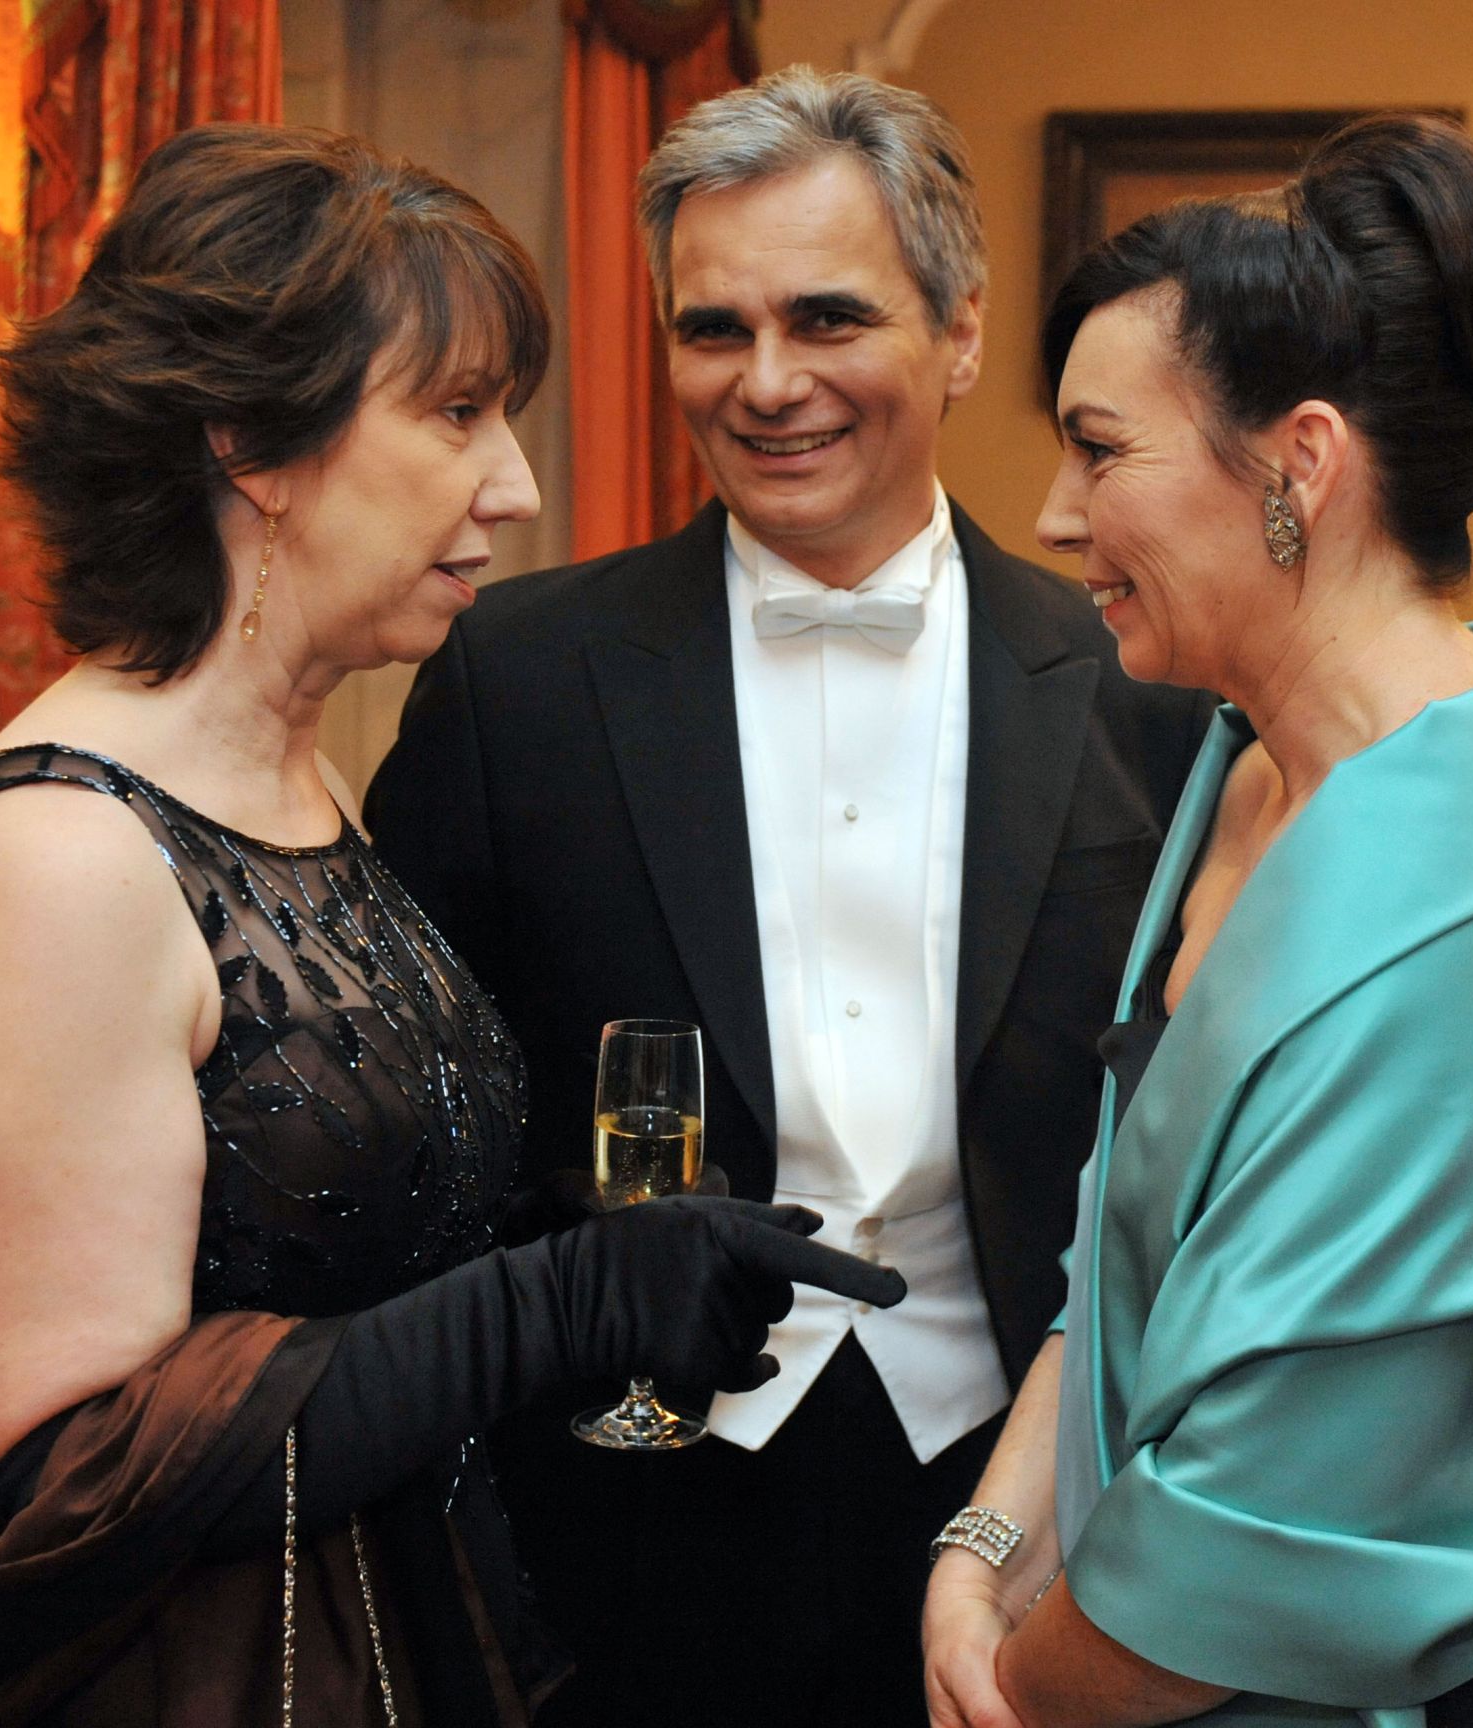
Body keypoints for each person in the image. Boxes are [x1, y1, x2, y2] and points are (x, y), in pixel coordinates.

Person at [0, 123, 905, 1728]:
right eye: (455, 415)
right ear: (249, 443)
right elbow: (73, 1474)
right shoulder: (58, 854)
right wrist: (553, 1309)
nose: (513, 487)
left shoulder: (303, 783)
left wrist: (610, 1269)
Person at [365, 65, 1211, 1728]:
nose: (767, 385)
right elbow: (420, 1132)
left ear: (961, 333)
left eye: (829, 319)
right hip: (626, 1519)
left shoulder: (1144, 687)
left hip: (1026, 1500)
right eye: (711, 329)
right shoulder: (514, 683)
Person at [921, 113, 1473, 1728]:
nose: (1053, 516)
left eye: (1100, 448)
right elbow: (1122, 1247)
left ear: (1299, 466)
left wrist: (1015, 1683)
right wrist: (984, 1545)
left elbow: (1229, 1557)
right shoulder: (1248, 774)